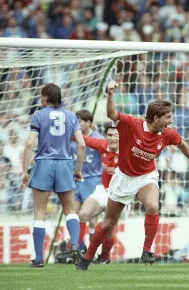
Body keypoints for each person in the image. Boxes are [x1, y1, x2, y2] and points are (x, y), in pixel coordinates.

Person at [77, 80, 189, 270]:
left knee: (152, 206)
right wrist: (110, 94)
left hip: (146, 177)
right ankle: (87, 257)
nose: (171, 120)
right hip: (123, 178)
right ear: (155, 117)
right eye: (167, 117)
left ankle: (146, 250)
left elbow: (182, 144)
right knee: (108, 223)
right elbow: (111, 114)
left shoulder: (167, 133)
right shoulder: (132, 124)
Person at [21, 83, 86, 268]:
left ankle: (39, 258)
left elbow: (28, 145)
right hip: (65, 163)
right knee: (70, 210)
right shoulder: (71, 116)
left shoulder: (39, 115)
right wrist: (78, 169)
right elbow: (81, 144)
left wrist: (24, 171)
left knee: (40, 212)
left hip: (44, 165)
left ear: (45, 98)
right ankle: (74, 243)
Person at [78, 124, 120, 264]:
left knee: (107, 230)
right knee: (83, 214)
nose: (112, 138)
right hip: (103, 190)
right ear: (105, 136)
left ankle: (104, 257)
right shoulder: (102, 145)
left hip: (121, 195)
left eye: (116, 135)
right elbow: (82, 139)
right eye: (109, 135)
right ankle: (76, 250)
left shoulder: (129, 150)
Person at [71, 110, 104, 251]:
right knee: (73, 214)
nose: (78, 124)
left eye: (81, 121)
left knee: (91, 217)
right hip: (76, 180)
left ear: (89, 122)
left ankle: (93, 249)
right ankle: (78, 246)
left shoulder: (98, 138)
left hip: (92, 180)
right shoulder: (72, 138)